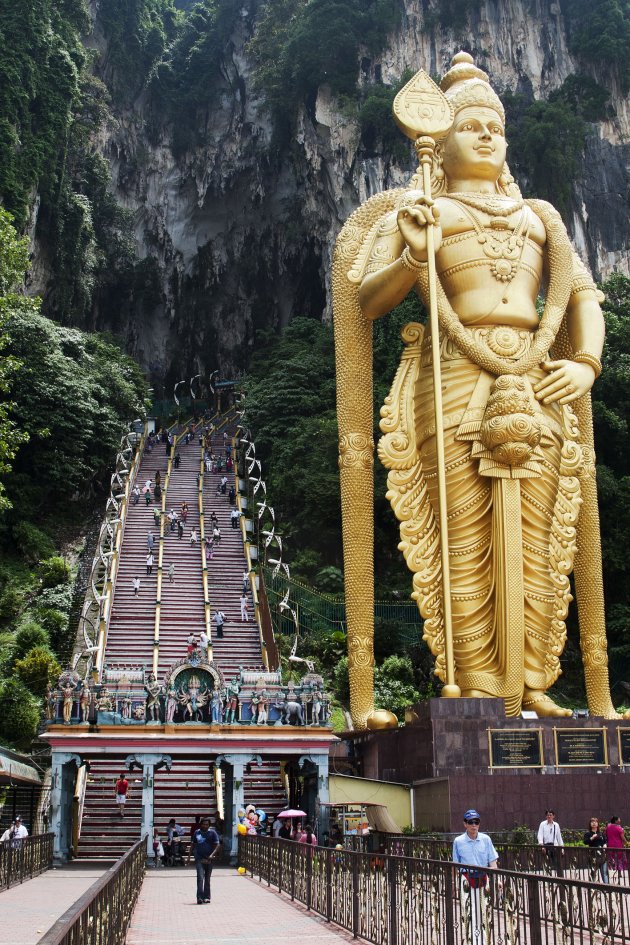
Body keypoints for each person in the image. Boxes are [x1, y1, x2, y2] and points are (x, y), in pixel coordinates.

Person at [336, 51, 611, 723]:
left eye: (496, 125)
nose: (488, 135)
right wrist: (409, 252)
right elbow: (365, 298)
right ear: (443, 141)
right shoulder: (421, 208)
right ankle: (483, 683)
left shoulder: (541, 216)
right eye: (472, 125)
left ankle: (538, 677)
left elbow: (582, 299)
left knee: (545, 533)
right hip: (455, 378)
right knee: (465, 539)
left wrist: (588, 363)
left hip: (540, 375)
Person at [452, 809, 499, 945]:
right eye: (471, 822)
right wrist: (455, 885)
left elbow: (492, 861)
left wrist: (498, 880)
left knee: (484, 910)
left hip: (483, 878)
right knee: (469, 911)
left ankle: (483, 941)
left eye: (476, 822)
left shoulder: (485, 839)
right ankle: (472, 940)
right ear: (465, 824)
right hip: (466, 879)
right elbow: (456, 865)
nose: (474, 825)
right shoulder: (458, 841)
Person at [188, 816, 221, 904]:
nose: (205, 826)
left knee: (207, 879)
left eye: (207, 824)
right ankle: (199, 897)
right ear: (201, 824)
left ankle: (207, 897)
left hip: (209, 859)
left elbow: (217, 845)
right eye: (203, 824)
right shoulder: (197, 833)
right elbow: (193, 844)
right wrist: (189, 857)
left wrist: (212, 855)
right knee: (200, 878)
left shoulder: (212, 833)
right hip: (199, 858)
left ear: (209, 825)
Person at [537, 810, 564, 874]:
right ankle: (549, 877)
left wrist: (562, 847)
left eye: (550, 815)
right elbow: (540, 835)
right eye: (548, 815)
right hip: (546, 845)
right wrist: (541, 845)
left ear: (553, 816)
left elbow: (559, 837)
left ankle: (559, 879)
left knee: (557, 863)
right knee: (547, 864)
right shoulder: (543, 824)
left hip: (554, 846)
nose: (549, 816)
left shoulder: (556, 825)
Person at [583, 816, 609, 883]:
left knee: (604, 872)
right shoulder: (588, 833)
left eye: (595, 822)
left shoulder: (601, 833)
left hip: (602, 854)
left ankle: (607, 887)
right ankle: (593, 887)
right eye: (592, 822)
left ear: (598, 824)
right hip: (593, 855)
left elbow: (605, 841)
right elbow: (585, 842)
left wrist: (605, 844)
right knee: (593, 872)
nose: (594, 823)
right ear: (590, 824)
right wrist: (592, 838)